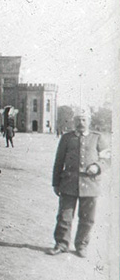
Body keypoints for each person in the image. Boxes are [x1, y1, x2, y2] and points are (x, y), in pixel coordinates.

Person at [47, 108, 109, 257]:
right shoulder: (67, 138)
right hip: (69, 183)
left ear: (89, 121)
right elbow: (58, 162)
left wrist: (97, 166)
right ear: (73, 122)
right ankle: (61, 244)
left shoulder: (98, 138)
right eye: (77, 120)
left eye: (83, 120)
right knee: (64, 216)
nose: (80, 123)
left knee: (88, 218)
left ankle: (81, 245)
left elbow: (108, 158)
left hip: (90, 185)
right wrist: (56, 183)